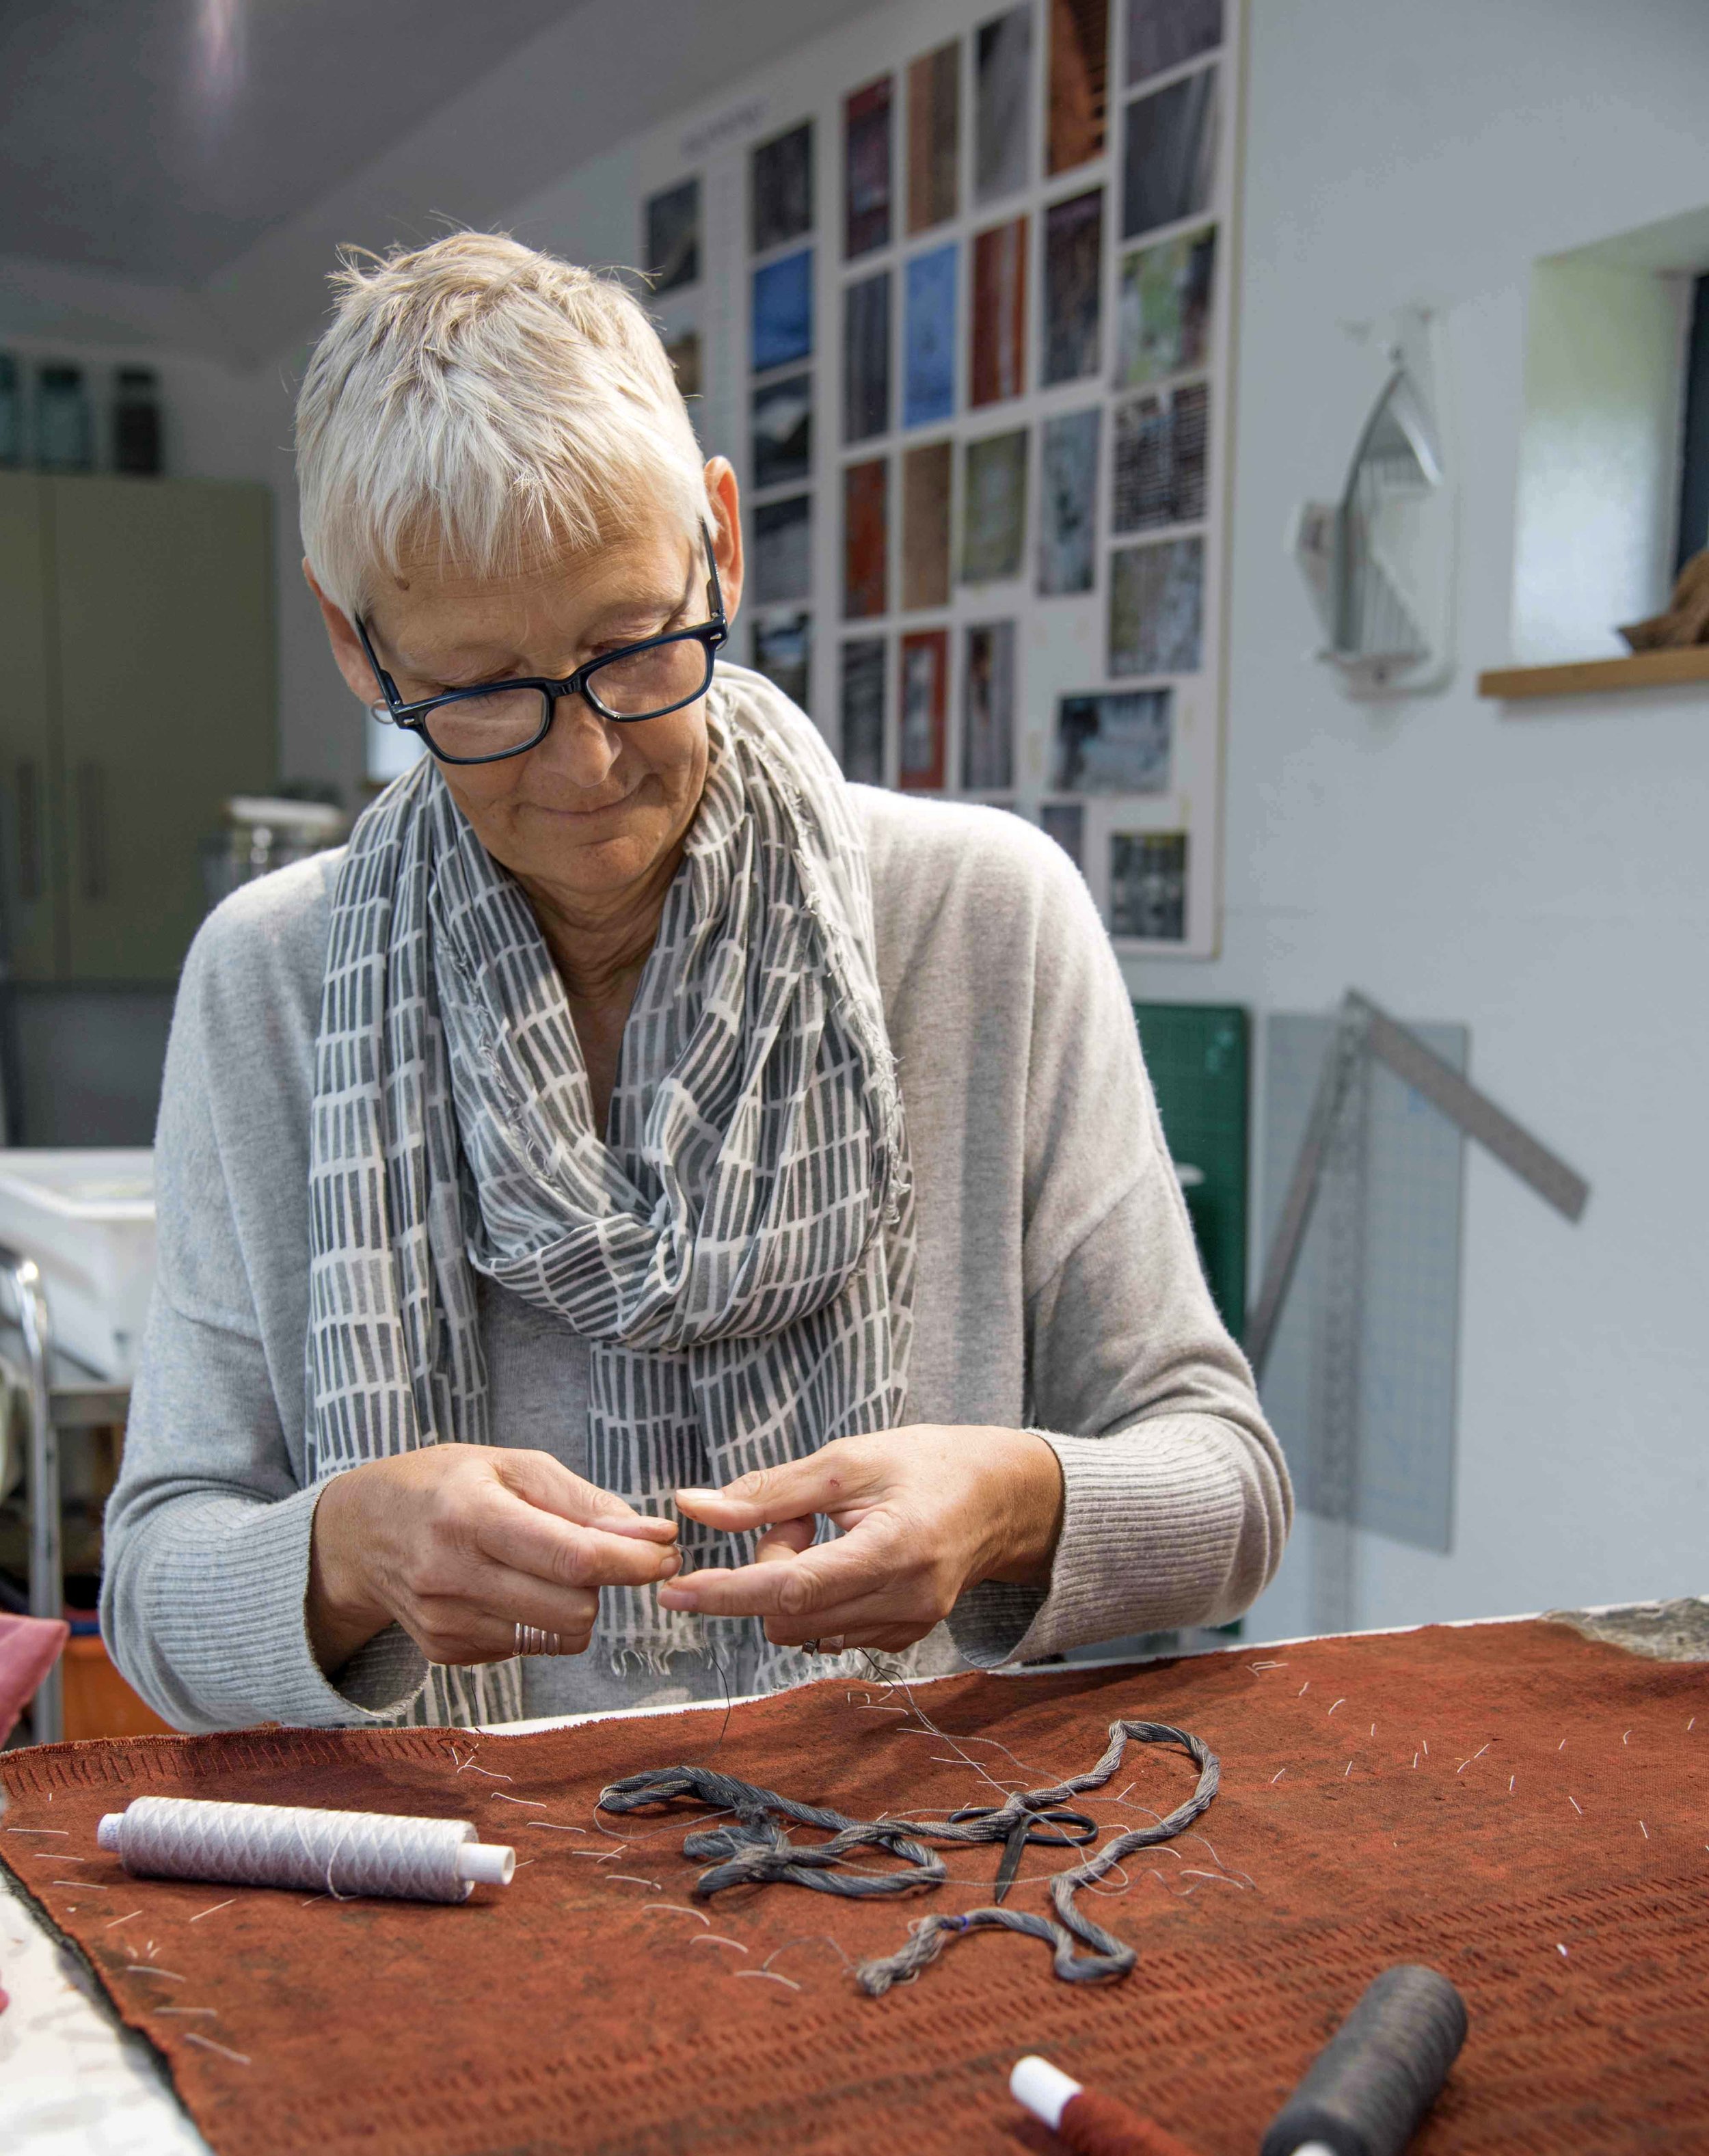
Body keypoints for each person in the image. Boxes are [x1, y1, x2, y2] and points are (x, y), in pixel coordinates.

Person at [101, 232, 1289, 1733]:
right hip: (457, 1895)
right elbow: (150, 1588)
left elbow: (1227, 1482)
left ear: (718, 541)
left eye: (630, 647)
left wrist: (1008, 1501)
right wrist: (341, 1560)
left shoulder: (983, 917)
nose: (583, 760)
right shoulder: (272, 980)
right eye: (479, 692)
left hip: (888, 1871)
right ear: (358, 646)